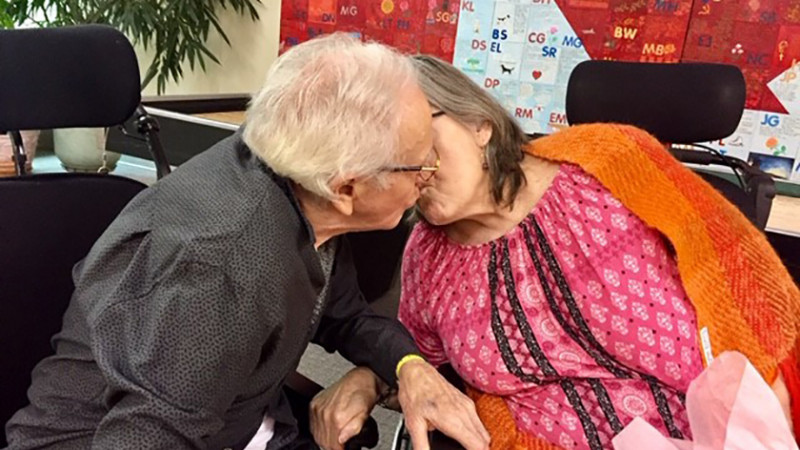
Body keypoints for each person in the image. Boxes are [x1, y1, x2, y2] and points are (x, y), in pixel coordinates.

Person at [3, 36, 490, 450]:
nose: (433, 172)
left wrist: (408, 367)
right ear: (346, 188)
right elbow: (145, 437)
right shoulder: (222, 268)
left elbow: (341, 311)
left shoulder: (293, 168)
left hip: (235, 416)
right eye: (421, 163)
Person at [313, 55, 800, 449]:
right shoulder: (427, 254)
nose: (414, 169)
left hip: (717, 428)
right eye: (391, 160)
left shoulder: (612, 164)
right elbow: (420, 355)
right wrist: (368, 376)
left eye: (422, 140)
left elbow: (742, 281)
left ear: (479, 123)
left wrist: (768, 396)